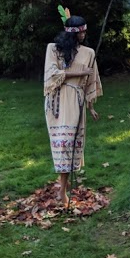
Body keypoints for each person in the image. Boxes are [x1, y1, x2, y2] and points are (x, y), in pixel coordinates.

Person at [44, 14, 102, 206]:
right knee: (61, 144)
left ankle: (62, 188)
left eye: (85, 31)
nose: (83, 35)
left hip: (76, 101)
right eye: (80, 32)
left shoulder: (89, 53)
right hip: (56, 101)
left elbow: (91, 80)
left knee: (70, 144)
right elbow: (52, 75)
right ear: (72, 33)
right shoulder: (53, 49)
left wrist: (91, 106)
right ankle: (62, 188)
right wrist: (79, 72)